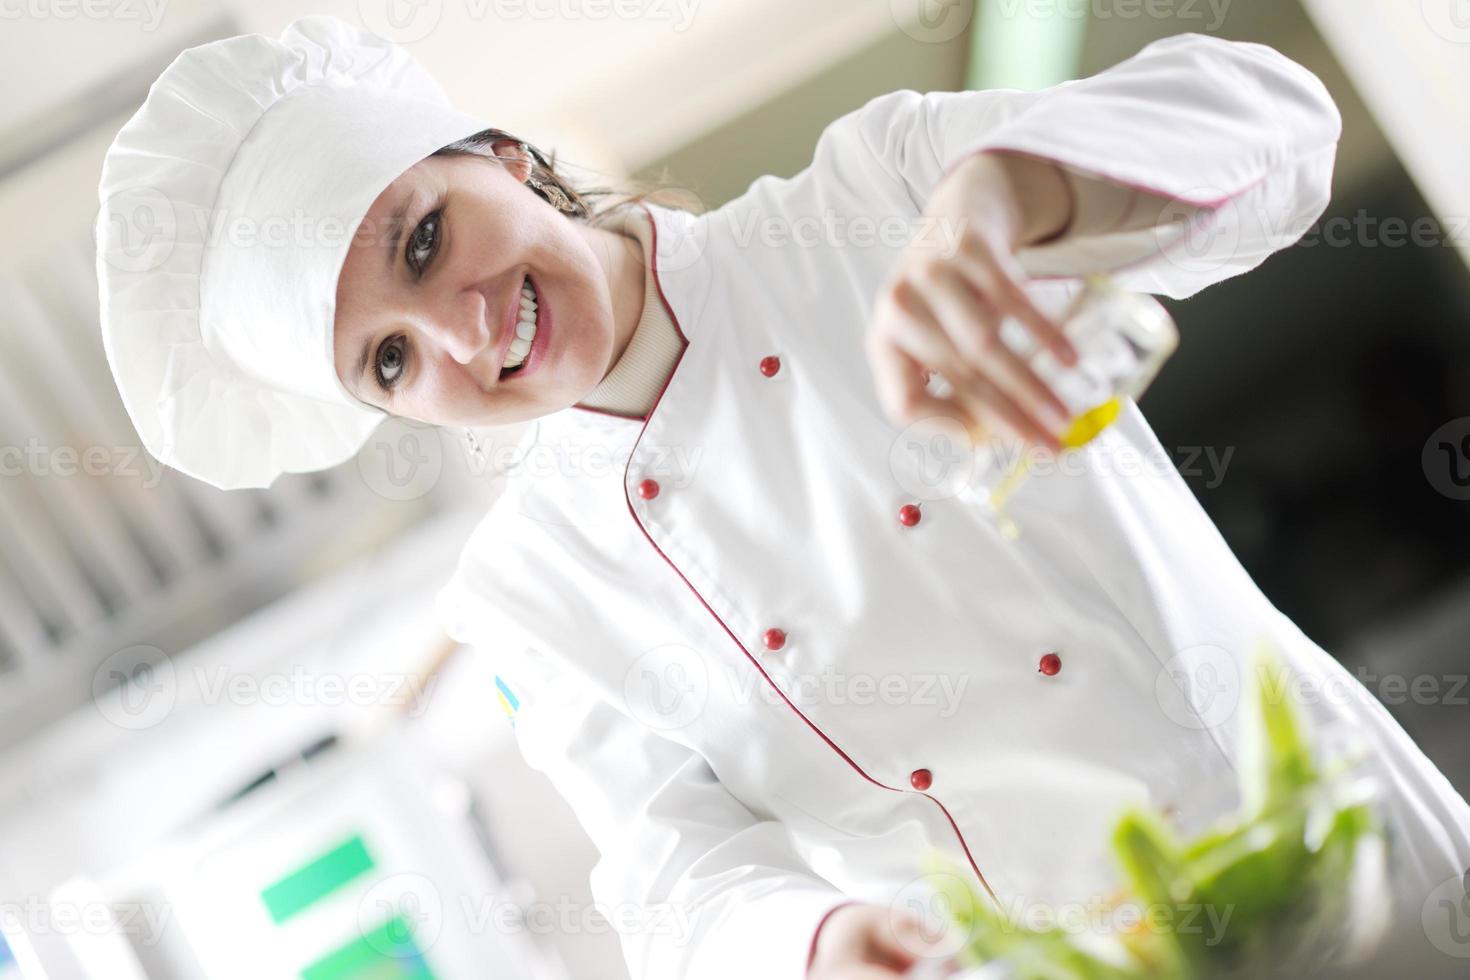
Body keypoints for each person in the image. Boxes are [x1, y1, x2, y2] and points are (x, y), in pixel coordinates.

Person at [96, 15, 1470, 980]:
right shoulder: (529, 594)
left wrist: (1007, 199)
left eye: (424, 238)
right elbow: (668, 877)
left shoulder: (864, 204)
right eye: (387, 358)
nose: (460, 337)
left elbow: (1276, 127)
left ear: (499, 153)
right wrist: (810, 945)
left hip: (1334, 848)